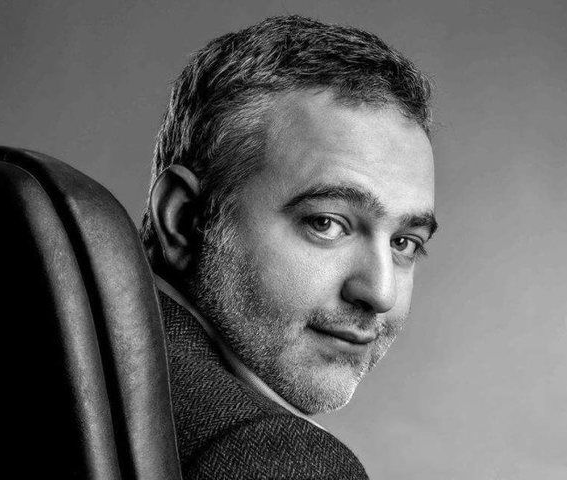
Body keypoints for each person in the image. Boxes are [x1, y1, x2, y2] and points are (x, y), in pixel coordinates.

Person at [140, 14, 437, 479]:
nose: (381, 293)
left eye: (404, 242)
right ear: (182, 219)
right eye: (326, 223)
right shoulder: (276, 455)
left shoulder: (80, 358)